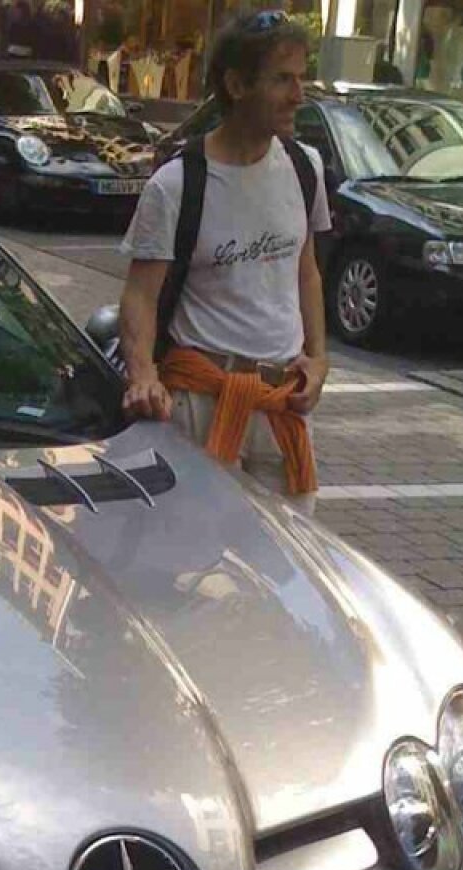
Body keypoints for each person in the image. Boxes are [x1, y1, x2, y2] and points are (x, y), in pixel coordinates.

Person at [118, 10, 330, 507]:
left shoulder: (304, 168)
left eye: (301, 79)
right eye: (282, 79)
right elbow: (140, 296)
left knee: (288, 572)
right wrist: (143, 374)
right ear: (236, 84)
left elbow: (307, 271)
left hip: (283, 406)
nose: (298, 95)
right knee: (193, 563)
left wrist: (319, 360)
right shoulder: (176, 185)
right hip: (202, 405)